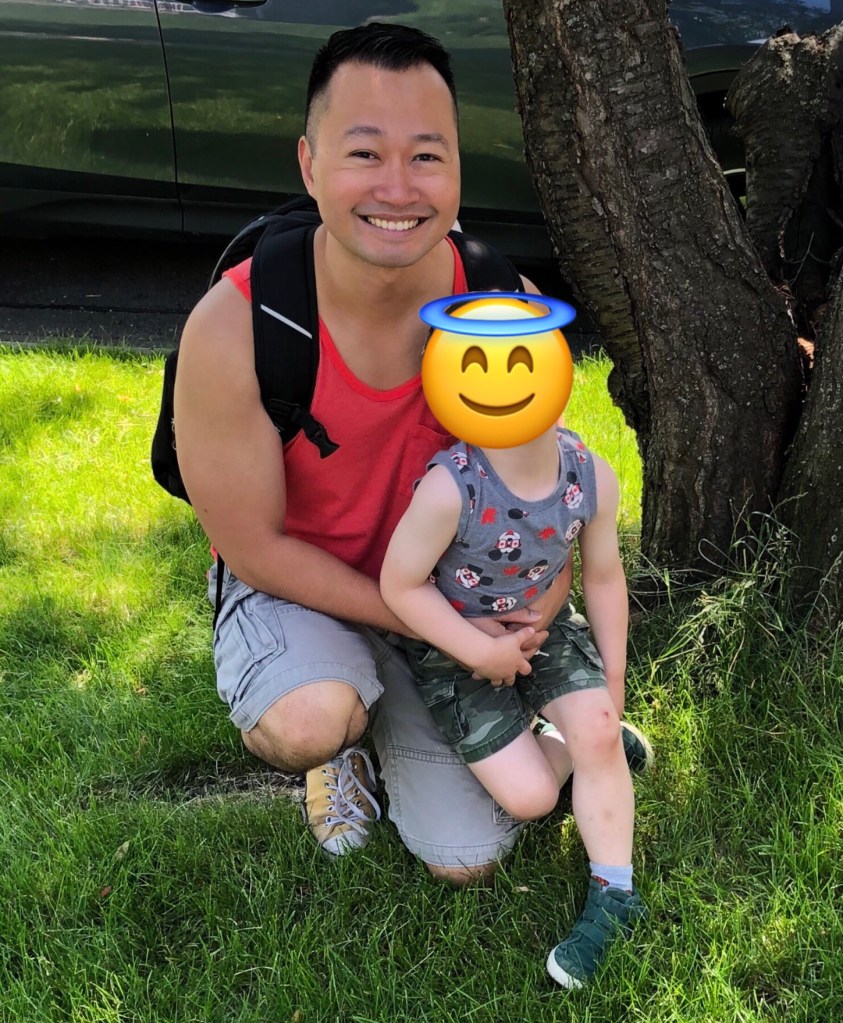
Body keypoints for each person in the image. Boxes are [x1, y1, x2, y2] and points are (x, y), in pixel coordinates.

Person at [173, 22, 651, 886]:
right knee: (312, 715)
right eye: (364, 153)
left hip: (448, 588)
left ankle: (513, 730)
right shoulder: (239, 325)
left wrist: (535, 604)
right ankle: (342, 743)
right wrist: (433, 624)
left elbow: (541, 483)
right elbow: (255, 547)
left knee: (467, 857)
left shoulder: (503, 307)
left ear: (458, 168)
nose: (396, 187)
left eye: (426, 156)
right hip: (301, 583)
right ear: (309, 164)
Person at [380, 408, 647, 988]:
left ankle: (617, 893)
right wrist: (480, 652)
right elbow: (399, 584)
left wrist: (613, 679)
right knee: (532, 797)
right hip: (455, 653)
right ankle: (582, 750)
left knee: (598, 722)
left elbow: (603, 576)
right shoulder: (450, 488)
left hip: (546, 631)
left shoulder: (589, 475)